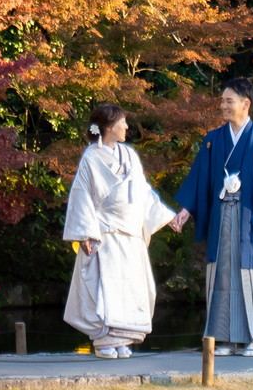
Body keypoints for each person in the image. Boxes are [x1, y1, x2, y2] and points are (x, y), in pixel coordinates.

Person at [172, 77, 253, 356]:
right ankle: (224, 338)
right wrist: (185, 211)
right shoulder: (213, 140)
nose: (223, 105)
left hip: (250, 219)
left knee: (249, 276)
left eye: (229, 101)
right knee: (222, 275)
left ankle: (251, 338)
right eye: (222, 101)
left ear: (245, 104)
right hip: (221, 216)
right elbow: (199, 178)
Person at [63, 103, 174, 358]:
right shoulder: (91, 157)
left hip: (131, 234)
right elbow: (82, 196)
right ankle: (104, 341)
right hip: (106, 233)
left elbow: (144, 192)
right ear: (108, 127)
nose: (126, 126)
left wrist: (167, 217)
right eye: (122, 122)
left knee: (133, 288)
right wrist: (86, 233)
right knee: (108, 288)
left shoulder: (130, 155)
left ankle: (123, 338)